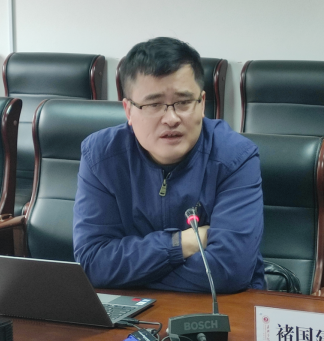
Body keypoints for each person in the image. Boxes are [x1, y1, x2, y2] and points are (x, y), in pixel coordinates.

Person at [73, 37, 265, 293]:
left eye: (184, 102)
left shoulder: (236, 157)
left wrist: (128, 271)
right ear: (128, 111)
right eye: (154, 105)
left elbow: (228, 271)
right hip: (132, 307)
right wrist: (182, 243)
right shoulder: (101, 155)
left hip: (222, 306)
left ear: (202, 103)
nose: (171, 118)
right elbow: (92, 263)